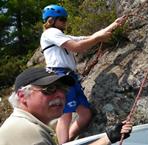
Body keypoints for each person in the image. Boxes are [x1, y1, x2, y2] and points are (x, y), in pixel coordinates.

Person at [40, 4, 128, 144]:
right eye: (62, 19)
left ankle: (67, 141)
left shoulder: (61, 35)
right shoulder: (50, 33)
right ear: (51, 21)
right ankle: (64, 143)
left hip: (69, 77)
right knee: (65, 115)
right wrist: (98, 39)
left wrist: (114, 24)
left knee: (85, 115)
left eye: (65, 19)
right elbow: (77, 47)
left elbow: (90, 37)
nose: (65, 22)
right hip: (59, 77)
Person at [0, 67, 132, 145]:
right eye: (49, 89)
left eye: (63, 89)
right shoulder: (26, 131)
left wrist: (107, 138)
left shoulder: (24, 124)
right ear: (23, 96)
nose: (60, 95)